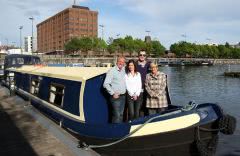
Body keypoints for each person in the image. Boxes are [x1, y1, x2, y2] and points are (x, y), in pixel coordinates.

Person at [103, 56, 126, 123]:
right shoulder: (112, 71)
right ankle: (115, 130)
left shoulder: (123, 70)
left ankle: (119, 130)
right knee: (117, 115)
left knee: (121, 114)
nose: (121, 63)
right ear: (117, 62)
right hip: (116, 97)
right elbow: (106, 84)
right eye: (120, 61)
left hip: (123, 96)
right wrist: (113, 93)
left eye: (123, 62)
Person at [136, 50, 151, 116]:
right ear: (138, 56)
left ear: (145, 56)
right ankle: (139, 118)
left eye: (144, 55)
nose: (142, 56)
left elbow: (155, 69)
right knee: (139, 104)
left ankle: (146, 117)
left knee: (146, 103)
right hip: (138, 88)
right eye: (140, 55)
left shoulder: (148, 64)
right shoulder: (135, 64)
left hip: (147, 87)